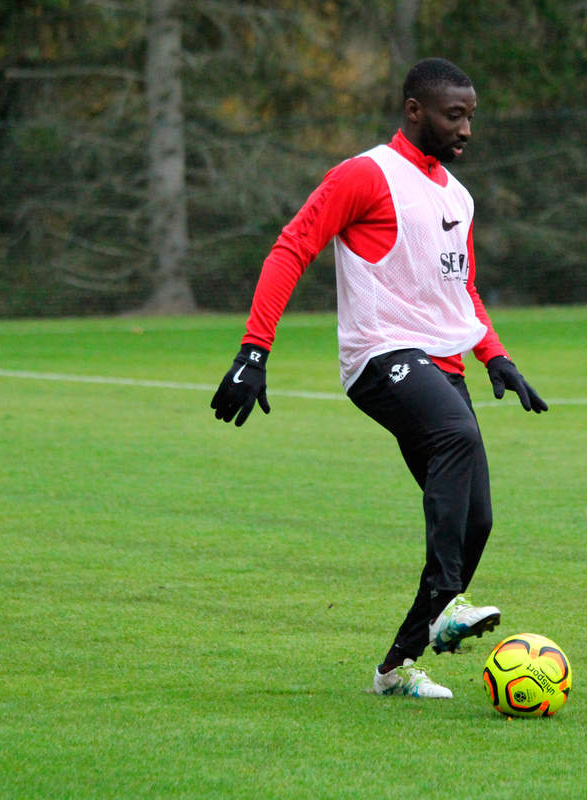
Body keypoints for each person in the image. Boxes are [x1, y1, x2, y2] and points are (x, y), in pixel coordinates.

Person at [210, 58, 548, 698]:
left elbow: (463, 289)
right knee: (456, 437)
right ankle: (449, 605)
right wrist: (255, 349)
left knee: (477, 523)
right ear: (415, 111)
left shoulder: (458, 195)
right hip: (379, 355)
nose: (467, 129)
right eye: (455, 115)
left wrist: (494, 356)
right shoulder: (365, 174)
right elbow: (291, 247)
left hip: (443, 363)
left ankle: (394, 669)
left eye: (472, 115)